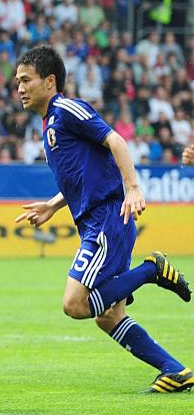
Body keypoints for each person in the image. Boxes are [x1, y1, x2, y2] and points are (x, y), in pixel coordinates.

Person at [13, 46, 192, 393]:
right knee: (108, 315)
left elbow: (116, 140)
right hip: (100, 219)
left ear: (49, 81)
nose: (19, 88)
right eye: (17, 81)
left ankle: (151, 269)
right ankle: (176, 370)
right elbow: (86, 175)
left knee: (75, 304)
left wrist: (132, 188)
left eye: (25, 80)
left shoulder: (66, 109)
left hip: (107, 218)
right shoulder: (49, 123)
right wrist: (52, 205)